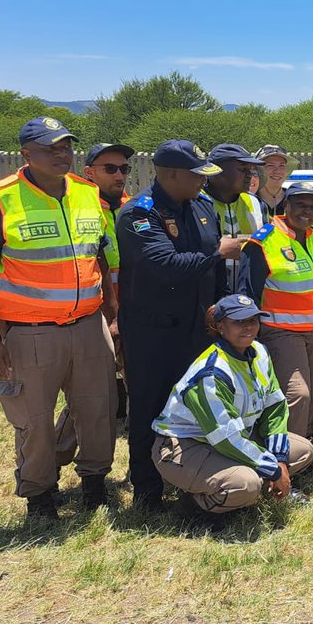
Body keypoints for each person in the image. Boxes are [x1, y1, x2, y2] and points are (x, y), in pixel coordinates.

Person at [0, 116, 118, 519]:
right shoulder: (0, 199)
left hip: (89, 325)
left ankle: (94, 484)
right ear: (26, 153)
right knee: (34, 419)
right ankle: (40, 495)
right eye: (50, 147)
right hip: (31, 332)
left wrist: (112, 316)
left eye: (65, 146)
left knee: (98, 410)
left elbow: (99, 258)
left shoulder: (88, 194)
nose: (60, 154)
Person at [117, 140, 238, 510]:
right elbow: (164, 265)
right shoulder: (139, 214)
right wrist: (217, 253)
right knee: (149, 409)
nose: (204, 182)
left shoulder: (202, 208)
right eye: (196, 175)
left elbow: (213, 270)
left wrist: (219, 307)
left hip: (198, 330)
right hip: (153, 333)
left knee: (198, 406)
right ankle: (148, 491)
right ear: (170, 174)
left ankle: (192, 482)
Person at [151, 294, 313, 516]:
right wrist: (274, 470)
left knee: (303, 451)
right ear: (220, 327)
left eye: (253, 320)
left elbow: (274, 408)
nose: (248, 327)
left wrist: (280, 460)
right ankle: (193, 507)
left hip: (230, 438)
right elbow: (226, 438)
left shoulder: (259, 352)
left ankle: (252, 486)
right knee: (246, 484)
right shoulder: (212, 372)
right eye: (238, 322)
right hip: (185, 447)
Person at [240, 182, 313, 442]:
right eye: (300, 205)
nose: (306, 212)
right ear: (286, 205)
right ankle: (286, 458)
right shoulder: (263, 242)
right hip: (282, 332)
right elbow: (248, 293)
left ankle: (303, 441)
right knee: (298, 394)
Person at [54, 141, 134, 471]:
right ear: (89, 172)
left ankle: (140, 468)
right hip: (96, 314)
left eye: (124, 169)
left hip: (136, 313)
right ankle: (53, 462)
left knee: (139, 393)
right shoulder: (80, 208)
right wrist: (108, 315)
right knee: (91, 396)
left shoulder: (136, 208)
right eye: (110, 169)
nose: (120, 175)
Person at [205, 144, 267, 293]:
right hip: (207, 297)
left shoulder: (256, 204)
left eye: (251, 170)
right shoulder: (197, 203)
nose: (250, 175)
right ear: (216, 170)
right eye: (243, 169)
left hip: (248, 299)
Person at [254, 145, 293, 218]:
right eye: (270, 165)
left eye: (282, 166)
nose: (277, 171)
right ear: (258, 170)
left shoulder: (294, 200)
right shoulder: (248, 201)